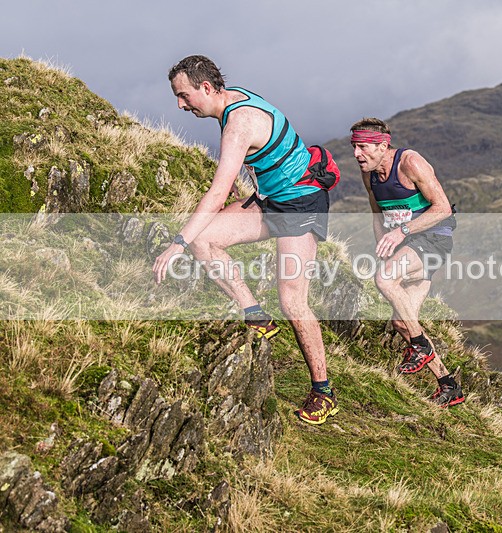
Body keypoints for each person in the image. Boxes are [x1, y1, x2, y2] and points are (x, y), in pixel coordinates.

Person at [152, 55, 337, 425]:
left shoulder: (238, 123)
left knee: (293, 302)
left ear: (207, 88)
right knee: (205, 238)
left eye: (184, 96)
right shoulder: (233, 97)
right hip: (272, 201)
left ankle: (323, 391)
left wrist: (177, 243)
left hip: (301, 204)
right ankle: (255, 315)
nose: (180, 105)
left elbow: (218, 194)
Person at [350, 117, 464, 407]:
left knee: (385, 278)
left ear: (383, 145)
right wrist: (383, 243)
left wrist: (400, 232)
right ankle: (448, 385)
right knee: (403, 321)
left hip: (434, 238)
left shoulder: (410, 163)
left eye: (362, 147)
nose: (356, 154)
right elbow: (377, 214)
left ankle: (420, 346)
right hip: (407, 245)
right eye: (354, 147)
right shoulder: (370, 173)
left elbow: (442, 208)